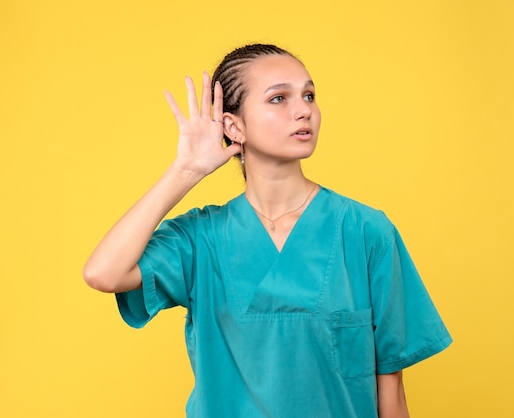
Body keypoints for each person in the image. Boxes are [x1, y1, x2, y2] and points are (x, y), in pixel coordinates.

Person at [83, 43, 452, 418]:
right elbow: (103, 272)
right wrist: (186, 171)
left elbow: (391, 387)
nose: (303, 109)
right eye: (279, 98)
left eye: (309, 95)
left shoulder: (366, 232)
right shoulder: (200, 240)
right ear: (233, 126)